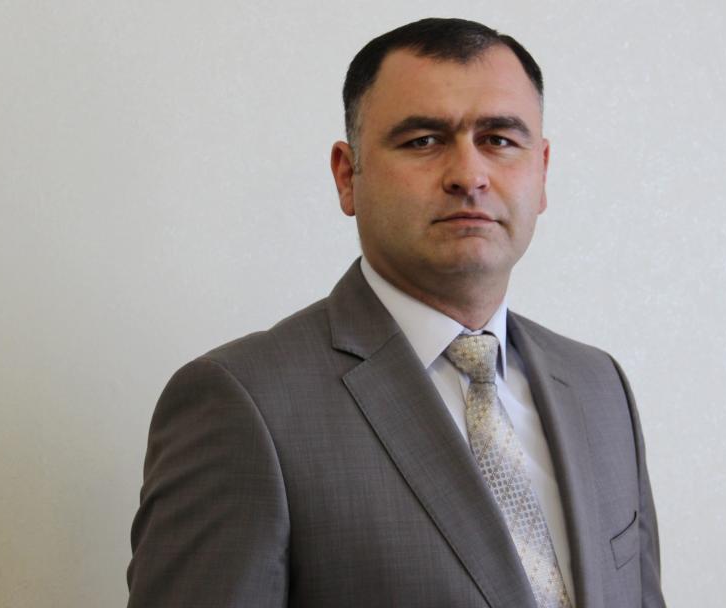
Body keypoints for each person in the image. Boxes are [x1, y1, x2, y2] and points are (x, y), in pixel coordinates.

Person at [127, 18, 665, 608]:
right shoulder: (244, 403)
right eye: (423, 141)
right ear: (346, 176)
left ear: (542, 172)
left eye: (499, 140)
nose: (469, 176)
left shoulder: (599, 387)